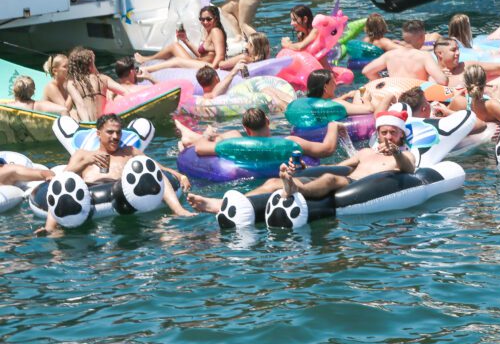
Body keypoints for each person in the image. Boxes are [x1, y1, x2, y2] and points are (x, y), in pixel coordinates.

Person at [187, 110, 415, 213]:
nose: (387, 137)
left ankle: (295, 188)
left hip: (357, 184)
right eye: (383, 132)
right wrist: (307, 168)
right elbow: (341, 165)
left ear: (401, 135)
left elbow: (408, 168)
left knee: (330, 179)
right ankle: (223, 204)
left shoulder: (405, 154)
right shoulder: (365, 152)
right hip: (347, 176)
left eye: (392, 133)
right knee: (273, 182)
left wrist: (395, 152)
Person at [40, 114, 193, 233]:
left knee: (153, 173)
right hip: (91, 196)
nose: (115, 137)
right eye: (110, 132)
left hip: (124, 193)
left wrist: (180, 176)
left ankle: (179, 210)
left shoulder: (129, 151)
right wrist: (87, 161)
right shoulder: (82, 154)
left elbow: (157, 168)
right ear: (98, 134)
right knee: (61, 188)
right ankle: (50, 229)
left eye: (118, 132)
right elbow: (64, 177)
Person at [176, 106, 344, 160]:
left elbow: (200, 149)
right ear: (268, 122)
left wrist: (206, 135)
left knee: (225, 136)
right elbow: (327, 149)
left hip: (240, 155)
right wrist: (333, 126)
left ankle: (189, 135)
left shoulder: (235, 145)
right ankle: (189, 135)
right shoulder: (290, 142)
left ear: (246, 129)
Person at [135, 5, 227, 71]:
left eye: (208, 19)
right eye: (202, 19)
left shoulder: (216, 31)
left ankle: (145, 69)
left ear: (216, 18)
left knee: (177, 61)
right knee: (175, 46)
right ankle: (147, 59)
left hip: (208, 66)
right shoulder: (209, 32)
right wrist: (185, 40)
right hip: (198, 62)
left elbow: (220, 55)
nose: (205, 22)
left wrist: (213, 69)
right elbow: (201, 55)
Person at [362, 19, 447, 83]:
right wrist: (444, 73)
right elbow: (442, 81)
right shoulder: (424, 56)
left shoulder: (389, 55)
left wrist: (384, 83)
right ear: (422, 37)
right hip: (415, 98)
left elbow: (366, 71)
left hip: (394, 94)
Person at [66, 47, 126, 122]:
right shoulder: (104, 79)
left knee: (73, 112)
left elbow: (81, 106)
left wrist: (88, 126)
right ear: (90, 65)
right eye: (94, 63)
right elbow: (126, 92)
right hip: (104, 124)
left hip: (88, 124)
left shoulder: (72, 83)